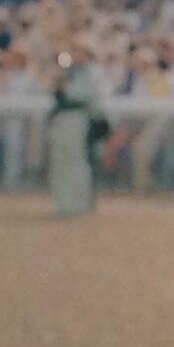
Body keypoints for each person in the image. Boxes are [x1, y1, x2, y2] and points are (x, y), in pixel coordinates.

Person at [47, 34, 107, 217]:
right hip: (63, 121)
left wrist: (64, 85)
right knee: (61, 164)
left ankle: (79, 205)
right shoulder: (69, 72)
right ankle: (63, 204)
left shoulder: (92, 73)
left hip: (79, 120)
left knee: (78, 164)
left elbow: (83, 96)